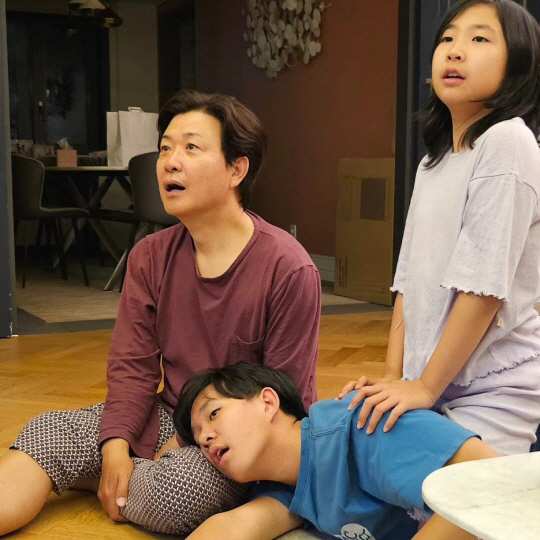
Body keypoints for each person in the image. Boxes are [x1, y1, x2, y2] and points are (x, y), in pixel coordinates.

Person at [0, 91, 321, 536]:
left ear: (236, 169)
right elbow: (132, 366)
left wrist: (186, 440)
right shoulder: (149, 256)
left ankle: (107, 481)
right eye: (165, 148)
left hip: (242, 439)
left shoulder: (288, 267)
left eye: (191, 147)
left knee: (178, 491)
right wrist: (116, 447)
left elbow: (285, 400)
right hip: (171, 412)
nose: (170, 162)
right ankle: (117, 475)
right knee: (48, 431)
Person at [338, 0, 540, 456]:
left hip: (493, 388)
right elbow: (408, 282)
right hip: (430, 380)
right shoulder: (434, 161)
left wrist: (425, 389)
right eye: (447, 38)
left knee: (432, 495)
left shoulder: (508, 141)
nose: (454, 50)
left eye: (479, 38)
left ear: (519, 63)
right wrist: (394, 378)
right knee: (359, 455)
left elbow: (483, 288)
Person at [173, 362, 497, 540]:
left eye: (214, 414)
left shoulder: (361, 421)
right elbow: (233, 528)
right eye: (199, 439)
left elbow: (489, 480)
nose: (206, 439)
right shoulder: (284, 486)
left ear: (268, 402)